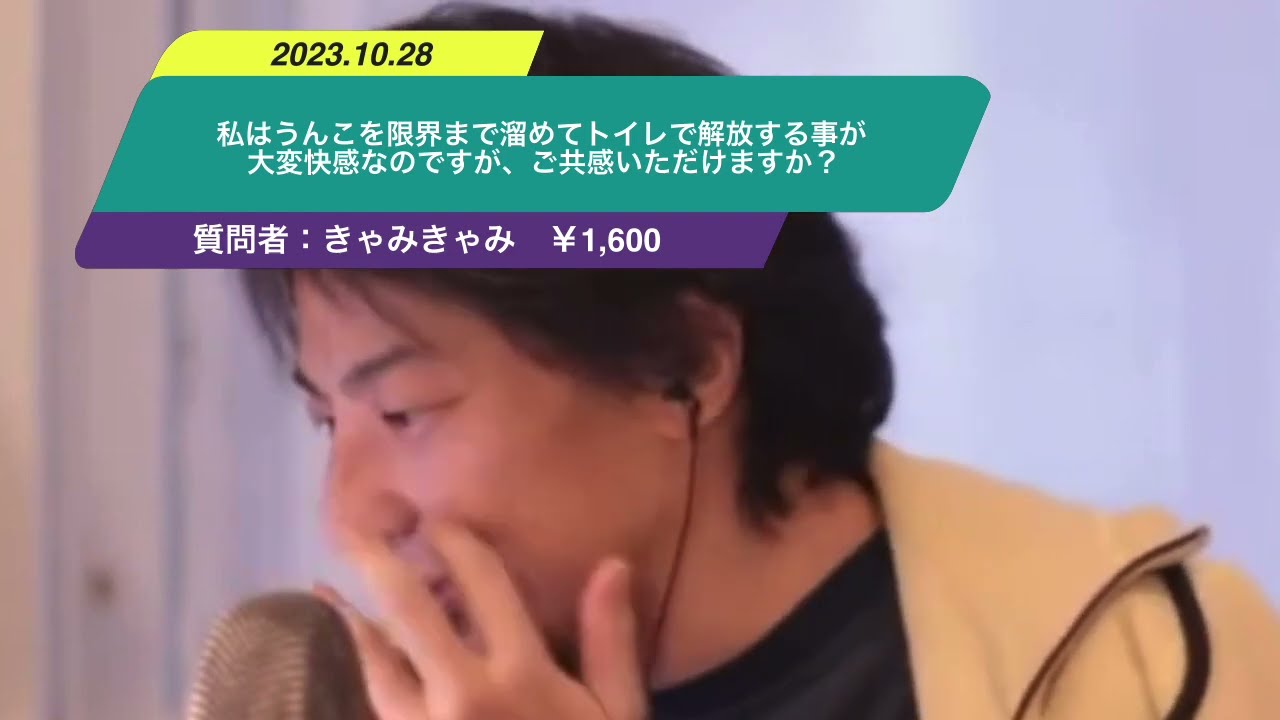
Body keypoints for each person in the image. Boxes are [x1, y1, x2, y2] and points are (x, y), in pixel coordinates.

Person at [242, 4, 1280, 719]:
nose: (350, 514)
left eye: (406, 411)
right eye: (329, 422)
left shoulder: (1150, 665)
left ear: (688, 363)